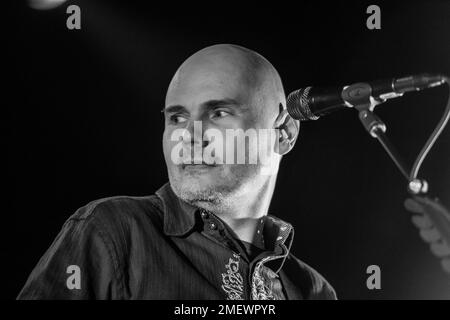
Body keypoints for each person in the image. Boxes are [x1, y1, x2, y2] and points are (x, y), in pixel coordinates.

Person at [17, 44, 337, 300]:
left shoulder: (313, 290)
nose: (190, 135)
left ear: (284, 134)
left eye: (219, 112)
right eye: (177, 118)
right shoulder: (112, 230)